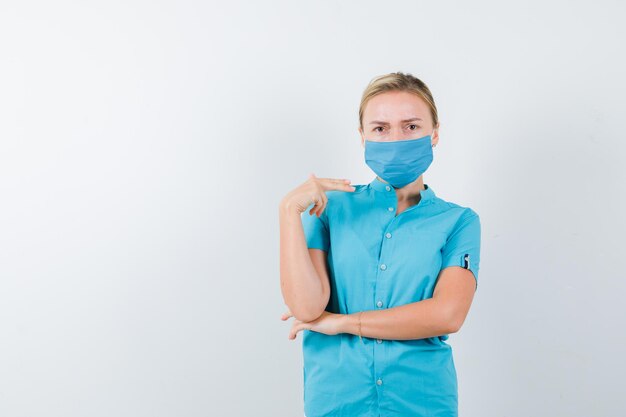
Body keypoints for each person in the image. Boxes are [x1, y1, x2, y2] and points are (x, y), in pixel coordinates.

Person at [278, 71, 481, 417]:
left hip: (422, 402)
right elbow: (307, 308)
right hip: (336, 401)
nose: (396, 139)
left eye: (411, 126)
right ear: (362, 136)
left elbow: (447, 314)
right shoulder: (329, 208)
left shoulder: (459, 221)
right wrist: (287, 212)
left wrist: (342, 322)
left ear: (435, 134)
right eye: (380, 128)